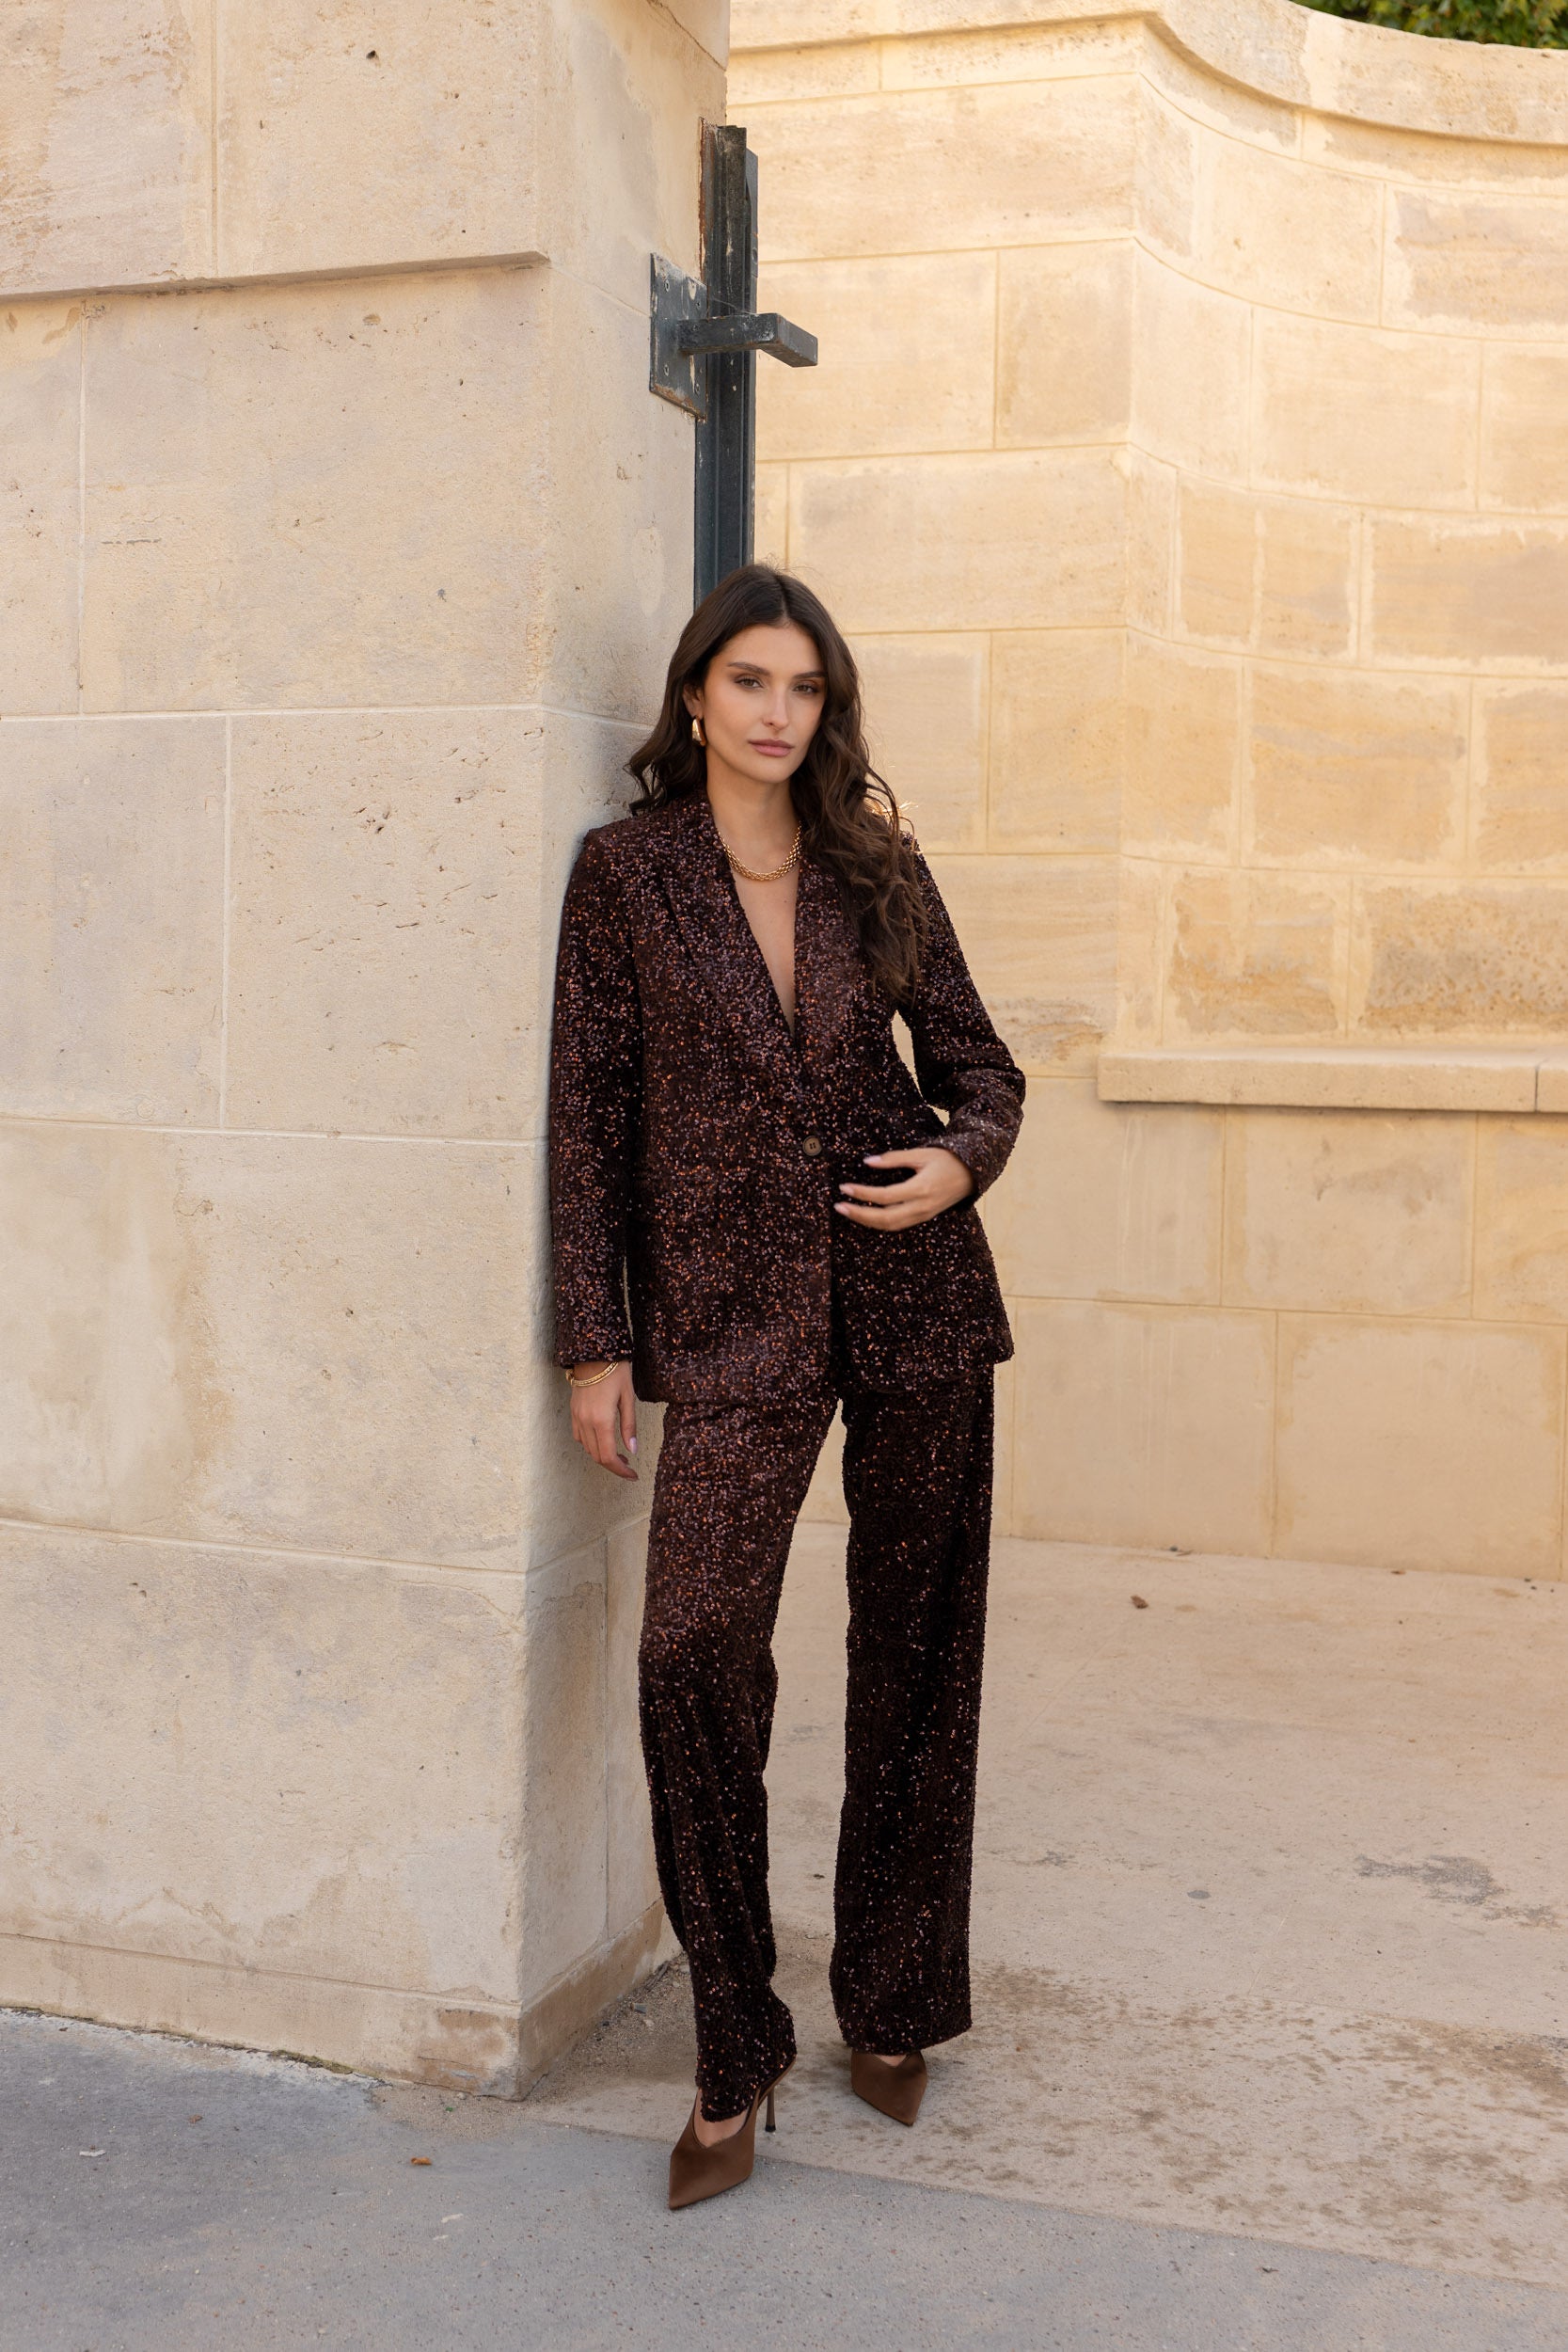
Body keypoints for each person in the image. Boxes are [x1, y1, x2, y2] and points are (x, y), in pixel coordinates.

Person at [547, 564, 1025, 2210]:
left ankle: (891, 2002)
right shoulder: (624, 879)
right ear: (695, 696)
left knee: (916, 1653)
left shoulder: (873, 866)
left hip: (914, 1306)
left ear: (827, 710)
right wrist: (594, 1342)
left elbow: (979, 1063)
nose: (774, 711)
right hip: (733, 1326)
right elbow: (587, 1124)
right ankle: (733, 2042)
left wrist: (961, 1165)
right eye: (747, 680)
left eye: (803, 688)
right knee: (692, 1650)